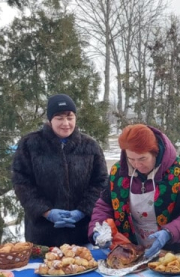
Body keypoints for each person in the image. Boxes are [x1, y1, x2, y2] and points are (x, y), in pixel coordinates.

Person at [89, 124, 180, 258]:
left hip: (176, 247)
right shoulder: (119, 172)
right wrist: (97, 230)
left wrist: (169, 233)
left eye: (142, 159)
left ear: (155, 152)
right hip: (133, 248)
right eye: (131, 159)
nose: (137, 165)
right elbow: (104, 205)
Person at [12, 94, 108, 247]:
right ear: (50, 120)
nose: (66, 123)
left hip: (81, 233)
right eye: (59, 118)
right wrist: (47, 212)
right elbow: (22, 183)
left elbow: (101, 182)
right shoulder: (30, 144)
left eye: (70, 117)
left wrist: (82, 211)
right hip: (42, 236)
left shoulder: (90, 146)